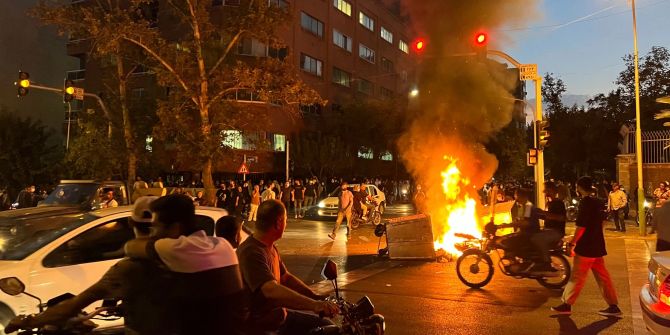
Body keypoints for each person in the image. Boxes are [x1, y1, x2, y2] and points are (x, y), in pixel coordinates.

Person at [4, 196, 178, 334]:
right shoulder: (183, 258)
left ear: (131, 224)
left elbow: (72, 306)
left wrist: (27, 321)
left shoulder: (129, 268)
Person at [124, 194, 248, 334]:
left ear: (175, 228)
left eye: (156, 226)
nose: (153, 233)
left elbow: (131, 247)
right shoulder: (223, 245)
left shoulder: (175, 249)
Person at [237, 200, 338, 334]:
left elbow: (285, 277)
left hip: (280, 318)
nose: (286, 224)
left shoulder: (269, 246)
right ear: (278, 223)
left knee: (328, 327)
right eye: (285, 220)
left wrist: (315, 297)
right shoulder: (251, 252)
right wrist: (314, 306)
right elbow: (270, 289)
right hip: (263, 326)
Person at [552, 176, 622, 317]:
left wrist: (573, 242)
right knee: (603, 277)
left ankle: (566, 304)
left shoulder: (585, 203)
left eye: (577, 187)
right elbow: (602, 222)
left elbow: (581, 226)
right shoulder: (598, 201)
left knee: (577, 276)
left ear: (579, 187)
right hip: (597, 245)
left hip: (586, 247)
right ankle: (613, 306)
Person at [532, 182, 566, 271]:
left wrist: (543, 212)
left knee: (537, 238)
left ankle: (546, 262)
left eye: (545, 189)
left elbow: (560, 218)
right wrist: (537, 214)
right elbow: (547, 217)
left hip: (556, 232)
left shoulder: (558, 203)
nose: (544, 192)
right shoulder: (549, 203)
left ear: (550, 190)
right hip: (548, 230)